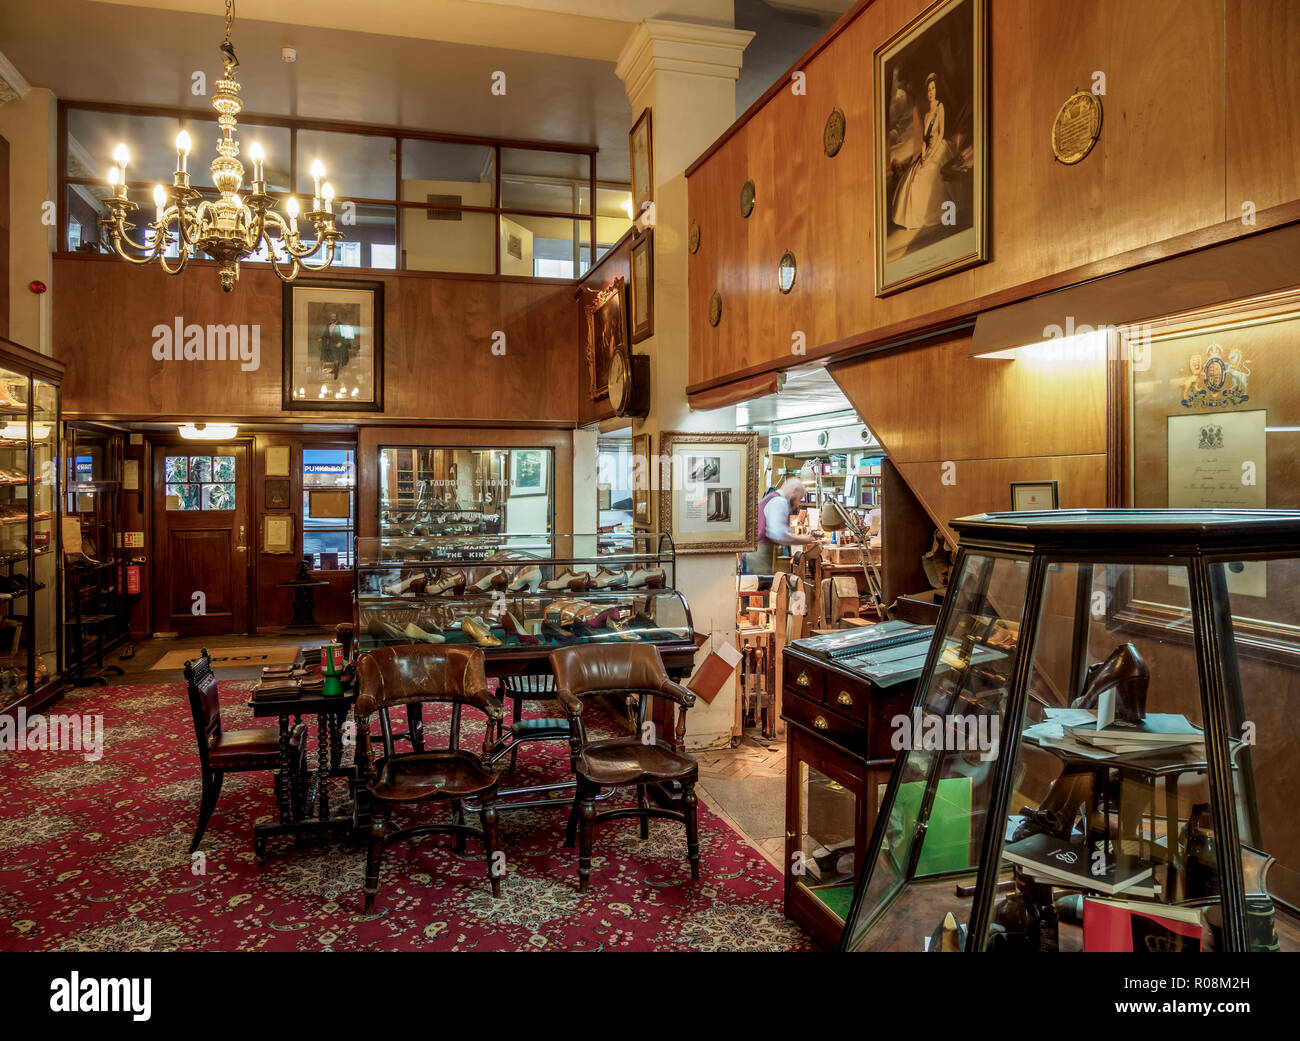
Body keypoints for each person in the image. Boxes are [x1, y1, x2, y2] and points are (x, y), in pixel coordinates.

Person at [890, 72, 954, 230]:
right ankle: (912, 219)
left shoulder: (940, 107)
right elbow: (925, 141)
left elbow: (940, 134)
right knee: (913, 178)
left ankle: (938, 215)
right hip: (929, 149)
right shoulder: (926, 115)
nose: (931, 92)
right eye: (929, 90)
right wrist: (924, 156)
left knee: (930, 174)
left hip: (939, 147)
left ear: (936, 90)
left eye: (933, 89)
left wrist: (931, 155)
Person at [743, 476, 820, 575]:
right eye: (799, 498)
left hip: (756, 553)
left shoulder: (773, 499)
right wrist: (805, 539)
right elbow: (779, 535)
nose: (797, 504)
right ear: (794, 490)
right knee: (760, 587)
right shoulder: (779, 502)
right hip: (760, 555)